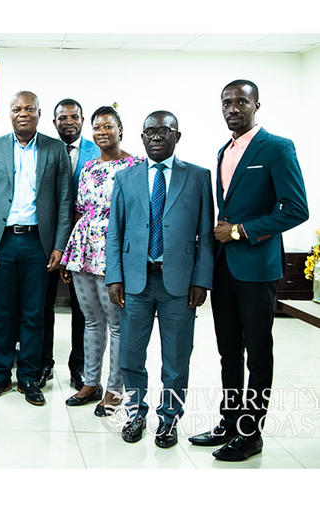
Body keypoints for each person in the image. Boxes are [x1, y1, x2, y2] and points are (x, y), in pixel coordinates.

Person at [189, 80, 308, 461]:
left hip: (257, 267)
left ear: (257, 104)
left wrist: (240, 231)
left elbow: (295, 208)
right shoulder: (224, 150)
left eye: (242, 101)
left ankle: (251, 432)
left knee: (257, 352)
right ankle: (228, 421)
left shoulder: (276, 148)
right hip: (224, 268)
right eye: (227, 102)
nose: (233, 108)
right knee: (228, 351)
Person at [105, 110, 214, 448]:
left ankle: (169, 420)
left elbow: (206, 235)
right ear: (141, 138)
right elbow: (114, 232)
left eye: (163, 131)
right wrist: (114, 277)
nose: (155, 136)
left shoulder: (198, 177)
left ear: (177, 136)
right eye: (149, 131)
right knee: (130, 356)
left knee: (177, 358)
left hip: (180, 285)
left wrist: (202, 280)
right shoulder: (126, 178)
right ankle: (136, 412)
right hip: (136, 282)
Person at [0, 90, 72, 406]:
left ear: (40, 114)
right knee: (1, 312)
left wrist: (59, 245)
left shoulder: (55, 150)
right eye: (17, 108)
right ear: (10, 114)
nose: (23, 113)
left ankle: (29, 377)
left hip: (38, 244)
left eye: (30, 108)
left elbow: (65, 201)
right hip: (2, 242)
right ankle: (1, 374)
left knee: (34, 313)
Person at [60, 106, 145, 415]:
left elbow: (140, 215)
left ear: (120, 129)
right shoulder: (88, 167)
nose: (101, 132)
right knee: (91, 320)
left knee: (117, 323)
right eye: (96, 127)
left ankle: (114, 388)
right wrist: (70, 255)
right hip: (84, 250)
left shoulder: (136, 165)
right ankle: (90, 382)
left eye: (108, 126)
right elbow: (81, 210)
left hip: (114, 252)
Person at [39, 98, 101, 391]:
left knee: (82, 310)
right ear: (54, 122)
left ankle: (79, 367)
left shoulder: (96, 152)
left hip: (86, 246)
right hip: (48, 241)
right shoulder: (46, 150)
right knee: (43, 306)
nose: (68, 122)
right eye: (62, 118)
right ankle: (44, 363)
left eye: (73, 116)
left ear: (82, 119)